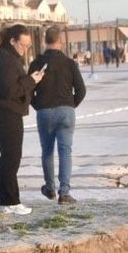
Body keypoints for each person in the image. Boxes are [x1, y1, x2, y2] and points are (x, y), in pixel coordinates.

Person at [0, 23, 43, 215]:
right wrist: (32, 80)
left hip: (6, 111)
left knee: (8, 157)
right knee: (11, 157)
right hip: (5, 112)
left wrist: (30, 80)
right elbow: (10, 90)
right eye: (22, 45)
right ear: (12, 41)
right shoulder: (5, 59)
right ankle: (10, 201)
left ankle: (3, 202)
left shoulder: (8, 57)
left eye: (27, 46)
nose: (25, 49)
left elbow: (13, 87)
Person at [29, 26, 86, 204]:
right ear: (60, 41)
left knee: (47, 151)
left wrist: (38, 105)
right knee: (65, 151)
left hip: (45, 112)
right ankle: (64, 192)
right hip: (66, 112)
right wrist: (70, 105)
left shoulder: (37, 63)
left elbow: (28, 88)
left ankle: (49, 188)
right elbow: (81, 90)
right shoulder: (70, 63)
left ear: (46, 41)